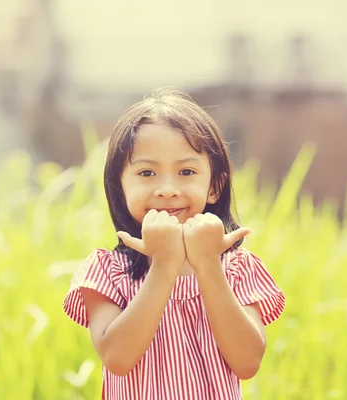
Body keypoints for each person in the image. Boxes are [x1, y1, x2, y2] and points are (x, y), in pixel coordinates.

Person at [63, 88, 285, 399]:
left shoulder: (237, 269)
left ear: (214, 187)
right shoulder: (106, 271)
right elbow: (117, 358)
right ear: (119, 186)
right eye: (147, 172)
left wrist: (208, 265)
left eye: (186, 171)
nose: (167, 189)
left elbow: (247, 362)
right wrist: (164, 265)